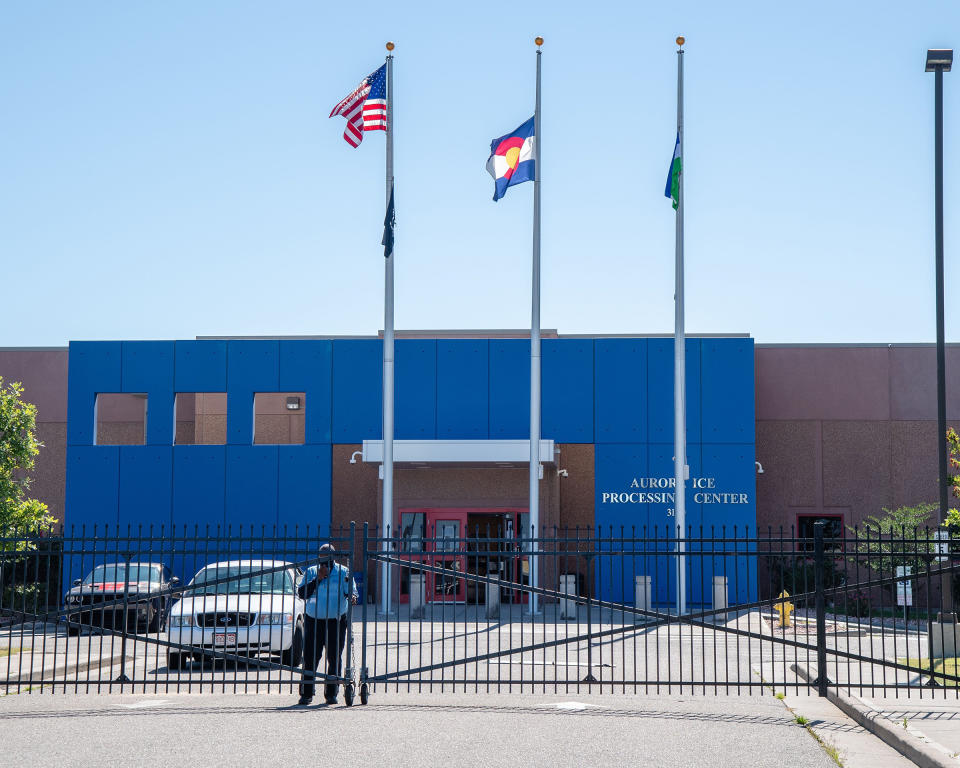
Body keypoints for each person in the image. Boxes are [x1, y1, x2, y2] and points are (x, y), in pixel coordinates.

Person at [296, 543, 358, 706]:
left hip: (336, 621)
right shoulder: (311, 571)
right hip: (313, 620)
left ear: (333, 559)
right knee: (310, 657)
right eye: (322, 560)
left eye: (327, 561)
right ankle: (306, 694)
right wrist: (318, 578)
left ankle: (331, 694)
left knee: (334, 657)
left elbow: (351, 592)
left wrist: (353, 597)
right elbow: (302, 593)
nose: (325, 564)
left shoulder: (343, 572)